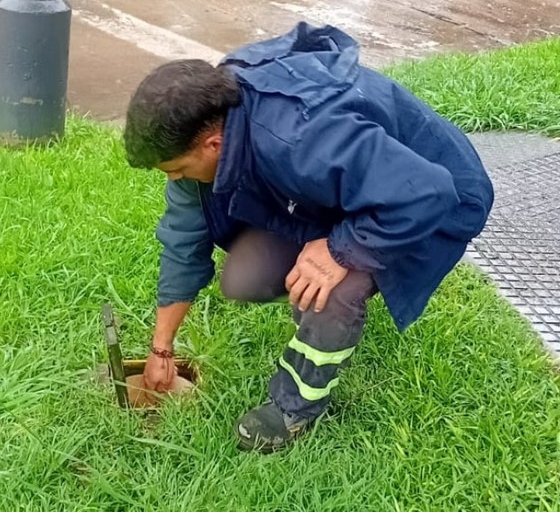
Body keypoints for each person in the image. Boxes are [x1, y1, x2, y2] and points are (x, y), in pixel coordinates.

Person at [122, 23, 494, 452]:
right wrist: (161, 347)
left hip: (433, 193)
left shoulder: (298, 139)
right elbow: (183, 242)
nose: (174, 180)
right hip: (361, 184)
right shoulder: (213, 114)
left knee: (328, 290)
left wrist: (340, 250)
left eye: (177, 170)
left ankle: (294, 408)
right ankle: (333, 257)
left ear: (213, 144)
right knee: (247, 275)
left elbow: (429, 193)